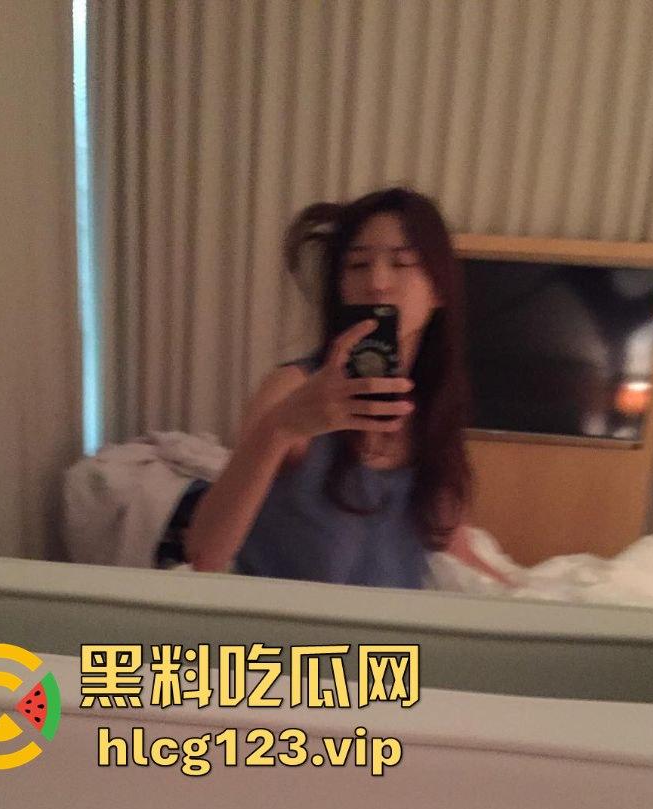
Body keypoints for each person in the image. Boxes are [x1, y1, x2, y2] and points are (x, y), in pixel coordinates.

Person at [185, 187, 511, 588]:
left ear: (438, 289)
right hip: (292, 623)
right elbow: (204, 556)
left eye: (401, 263)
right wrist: (281, 427)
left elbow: (451, 543)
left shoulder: (434, 406)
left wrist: (525, 599)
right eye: (357, 265)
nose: (377, 282)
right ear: (340, 287)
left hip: (389, 626)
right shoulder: (292, 389)